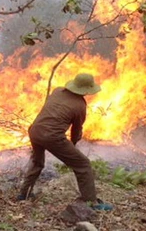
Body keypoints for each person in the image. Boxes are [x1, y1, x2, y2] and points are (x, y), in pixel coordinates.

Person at [18, 73, 112, 211]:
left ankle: (23, 194)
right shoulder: (80, 105)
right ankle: (92, 203)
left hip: (34, 130)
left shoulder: (57, 91)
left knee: (37, 162)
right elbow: (76, 131)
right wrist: (72, 147)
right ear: (86, 90)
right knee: (83, 165)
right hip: (52, 136)